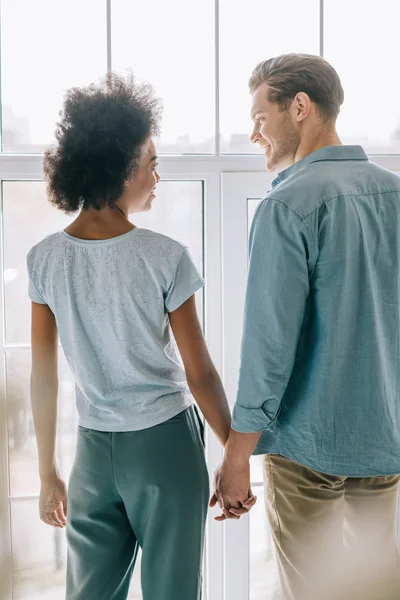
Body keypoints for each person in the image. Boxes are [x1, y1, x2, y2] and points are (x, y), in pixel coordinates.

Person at [27, 73, 254, 600]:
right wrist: (231, 456)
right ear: (122, 167)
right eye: (152, 164)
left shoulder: (43, 259)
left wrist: (46, 475)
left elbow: (44, 376)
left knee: (88, 593)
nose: (158, 176)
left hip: (90, 453)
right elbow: (199, 373)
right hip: (165, 446)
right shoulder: (164, 255)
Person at [211, 53, 400, 599]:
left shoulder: (287, 204)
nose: (253, 134)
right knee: (378, 589)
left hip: (306, 446)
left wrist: (236, 455)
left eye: (259, 116)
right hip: (383, 439)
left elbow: (269, 348)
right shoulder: (394, 194)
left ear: (299, 106)